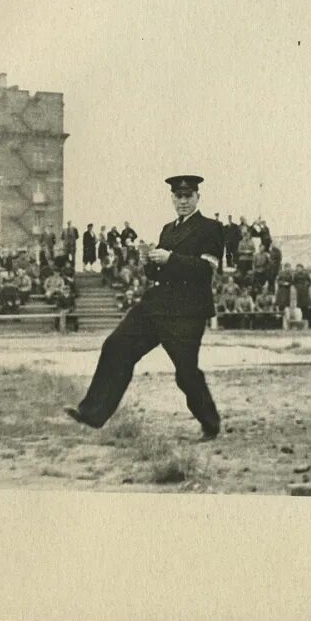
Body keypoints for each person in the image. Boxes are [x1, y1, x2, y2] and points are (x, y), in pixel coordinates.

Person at [65, 174, 222, 441]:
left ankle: (210, 424)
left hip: (187, 311)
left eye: (188, 196)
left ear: (198, 197)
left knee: (186, 373)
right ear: (172, 198)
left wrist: (171, 258)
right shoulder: (167, 229)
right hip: (156, 304)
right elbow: (156, 272)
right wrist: (150, 261)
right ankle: (92, 412)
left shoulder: (211, 228)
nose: (182, 201)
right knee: (116, 346)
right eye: (178, 196)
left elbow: (206, 270)